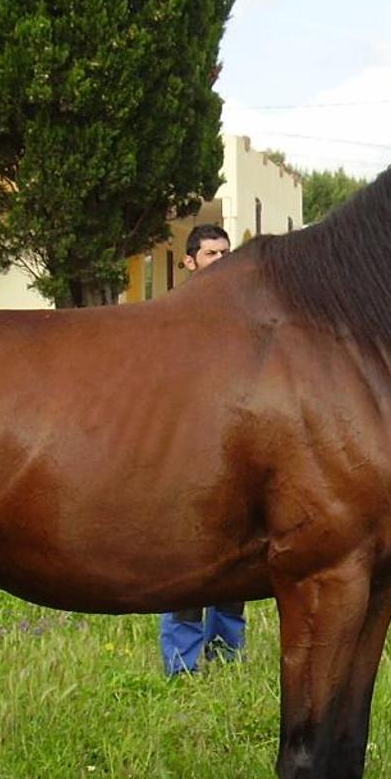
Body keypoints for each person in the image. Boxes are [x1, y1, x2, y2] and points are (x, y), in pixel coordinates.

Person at [159, 223, 246, 677]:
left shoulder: (243, 319)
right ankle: (182, 666)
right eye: (212, 253)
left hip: (235, 456)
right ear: (190, 261)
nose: (221, 260)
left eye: (227, 252)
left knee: (237, 564)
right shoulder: (171, 319)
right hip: (184, 458)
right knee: (189, 567)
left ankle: (228, 656)